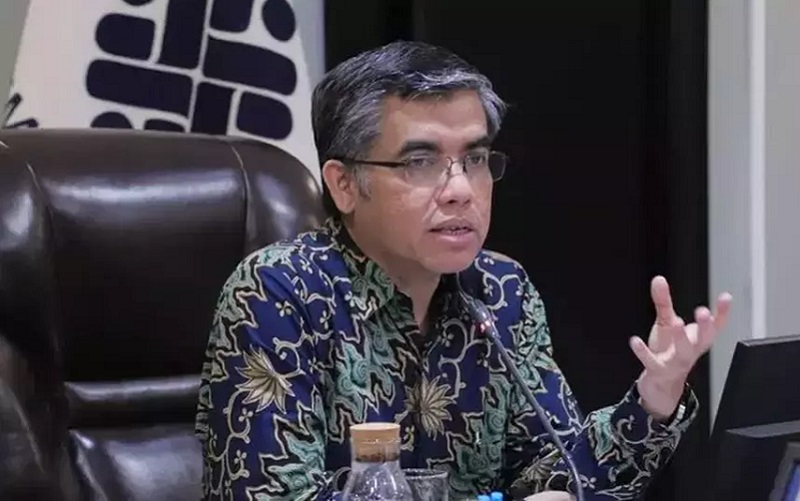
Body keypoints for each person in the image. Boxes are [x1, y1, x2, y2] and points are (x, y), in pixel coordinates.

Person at [194, 40, 732, 500]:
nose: (459, 190)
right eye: (420, 162)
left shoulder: (501, 290)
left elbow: (555, 470)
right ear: (344, 184)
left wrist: (653, 399)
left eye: (475, 159)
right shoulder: (277, 293)